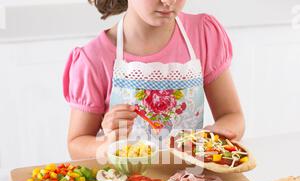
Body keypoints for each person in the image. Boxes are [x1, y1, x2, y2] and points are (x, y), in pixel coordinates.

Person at [63, 0, 245, 160]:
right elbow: (76, 144)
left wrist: (217, 135)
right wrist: (106, 145)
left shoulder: (202, 34)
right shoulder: (94, 58)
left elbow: (232, 115)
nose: (168, 1)